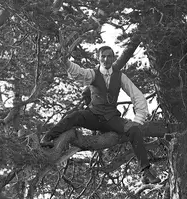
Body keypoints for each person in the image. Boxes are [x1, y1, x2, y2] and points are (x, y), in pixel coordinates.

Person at [40, 44, 157, 182]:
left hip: (111, 119)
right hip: (93, 116)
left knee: (135, 130)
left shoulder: (120, 76)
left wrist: (138, 119)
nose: (106, 59)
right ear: (98, 58)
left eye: (109, 56)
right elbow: (79, 73)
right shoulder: (93, 73)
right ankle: (47, 137)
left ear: (114, 58)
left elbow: (136, 95)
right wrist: (66, 62)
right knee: (74, 116)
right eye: (103, 56)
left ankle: (146, 172)